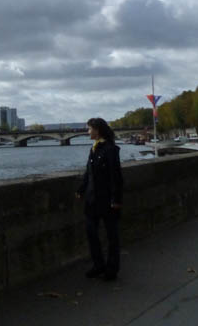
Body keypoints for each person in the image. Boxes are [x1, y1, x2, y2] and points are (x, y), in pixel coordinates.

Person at [76, 117, 123, 281]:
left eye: (89, 129)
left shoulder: (110, 149)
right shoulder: (94, 149)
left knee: (112, 237)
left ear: (97, 130)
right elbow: (89, 172)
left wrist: (116, 199)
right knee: (91, 233)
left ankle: (111, 269)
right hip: (91, 199)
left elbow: (115, 176)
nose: (87, 132)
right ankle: (98, 264)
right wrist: (81, 189)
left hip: (107, 200)